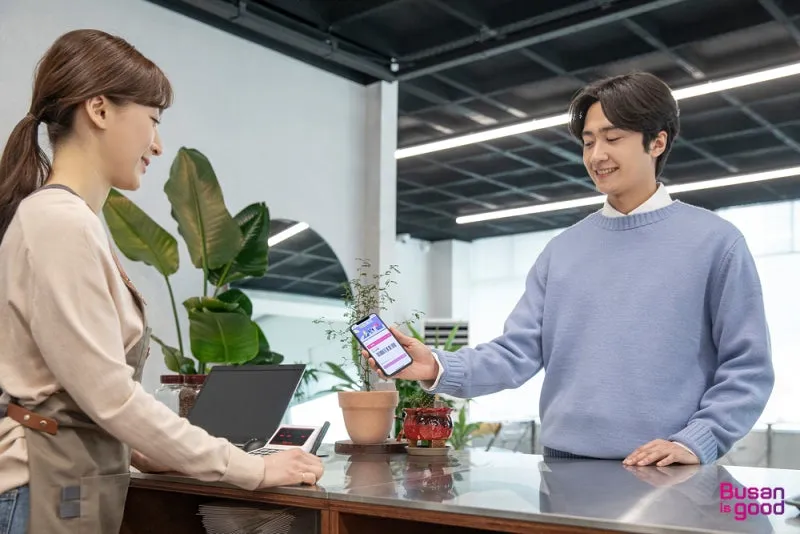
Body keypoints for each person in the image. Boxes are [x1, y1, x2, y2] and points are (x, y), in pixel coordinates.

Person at [0, 29, 323, 534]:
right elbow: (111, 397)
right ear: (99, 109)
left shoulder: (70, 221)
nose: (157, 143)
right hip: (43, 487)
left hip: (64, 482)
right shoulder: (59, 222)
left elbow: (79, 388)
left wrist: (152, 451)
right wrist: (252, 469)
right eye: (153, 119)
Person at [369, 72, 774, 467]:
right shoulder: (562, 250)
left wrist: (700, 439)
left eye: (613, 138)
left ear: (657, 142)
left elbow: (748, 366)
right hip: (564, 468)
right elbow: (516, 353)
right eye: (588, 141)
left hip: (667, 471)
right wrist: (435, 365)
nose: (597, 156)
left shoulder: (715, 242)